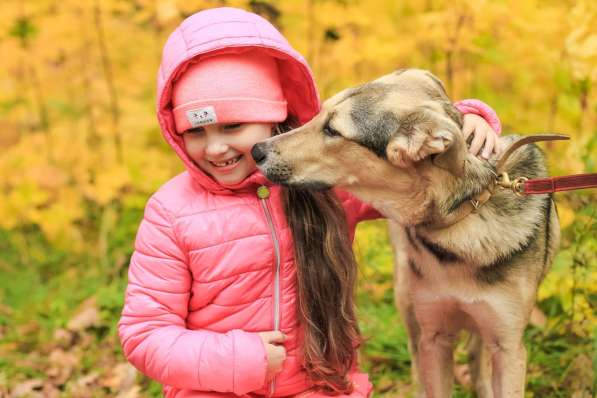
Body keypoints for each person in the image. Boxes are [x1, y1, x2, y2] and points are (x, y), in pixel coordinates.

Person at [118, 7, 502, 398]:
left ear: (274, 117)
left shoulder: (326, 181)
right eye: (195, 131)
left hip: (321, 387)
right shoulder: (171, 212)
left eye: (232, 126)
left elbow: (412, 166)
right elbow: (144, 334)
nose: (215, 147)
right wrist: (236, 360)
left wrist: (465, 119)